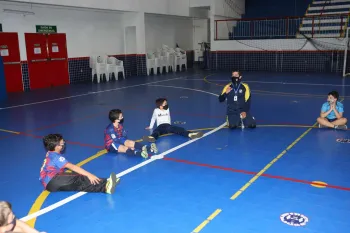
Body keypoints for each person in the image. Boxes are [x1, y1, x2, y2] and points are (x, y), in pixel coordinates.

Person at [39, 134, 119, 194]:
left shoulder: (50, 153)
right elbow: (72, 166)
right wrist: (89, 174)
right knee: (79, 177)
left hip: (50, 184)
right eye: (61, 144)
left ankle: (105, 182)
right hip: (53, 180)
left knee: (77, 182)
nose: (63, 144)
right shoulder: (55, 157)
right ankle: (105, 186)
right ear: (56, 146)